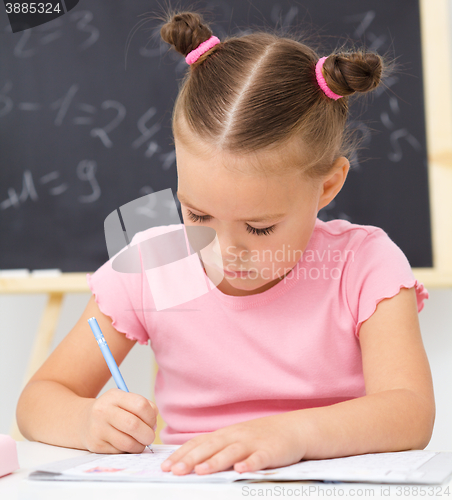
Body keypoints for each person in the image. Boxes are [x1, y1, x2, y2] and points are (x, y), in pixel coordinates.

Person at [16, 9, 435, 477]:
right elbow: (38, 401)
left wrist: (292, 434)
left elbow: (410, 412)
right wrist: (86, 422)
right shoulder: (154, 264)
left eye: (258, 228)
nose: (224, 251)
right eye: (198, 215)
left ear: (327, 187)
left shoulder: (364, 264)